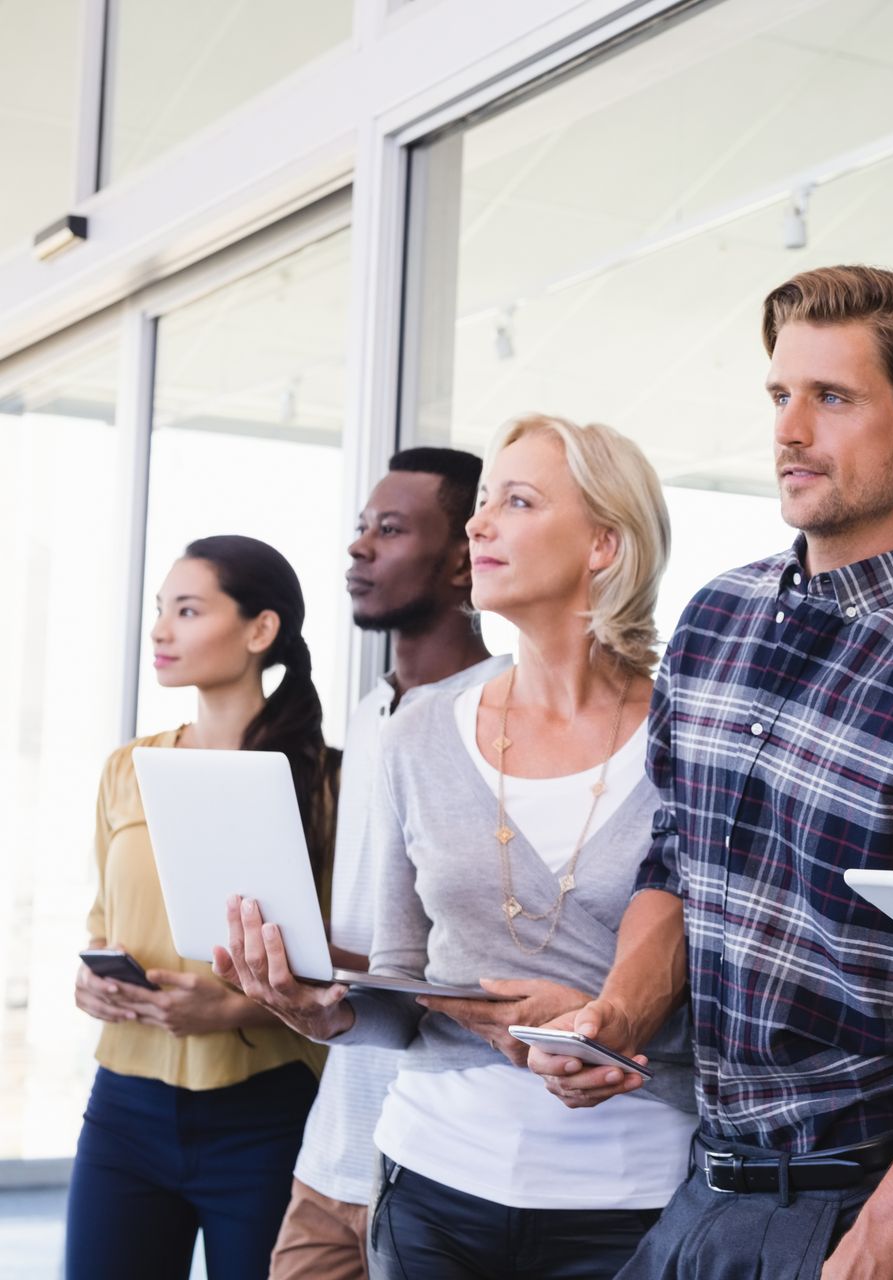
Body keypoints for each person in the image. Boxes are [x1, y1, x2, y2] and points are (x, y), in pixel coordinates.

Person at [526, 265, 893, 1280]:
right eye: (781, 394)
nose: (790, 429)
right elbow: (676, 862)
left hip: (864, 1210)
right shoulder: (713, 620)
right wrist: (619, 1015)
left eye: (833, 397)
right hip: (704, 1186)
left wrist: (869, 1254)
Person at [220, 415, 697, 1280]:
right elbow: (405, 985)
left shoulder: (694, 738)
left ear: (603, 543)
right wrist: (327, 1012)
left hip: (633, 1201)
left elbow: (733, 985)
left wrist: (605, 1025)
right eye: (482, 504)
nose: (478, 526)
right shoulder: (421, 735)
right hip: (435, 1183)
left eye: (515, 502)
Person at [68, 534, 339, 1280]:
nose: (161, 630)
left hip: (265, 1112)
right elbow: (102, 919)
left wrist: (231, 1011)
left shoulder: (325, 783)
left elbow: (347, 965)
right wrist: (90, 978)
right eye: (162, 611)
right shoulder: (128, 766)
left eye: (187, 610)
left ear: (260, 631)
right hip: (124, 1103)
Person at [268, 447, 506, 1280]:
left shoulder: (505, 709)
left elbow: (495, 953)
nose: (359, 548)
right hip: (331, 1149)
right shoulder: (370, 713)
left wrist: (346, 969)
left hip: (438, 1164)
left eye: (391, 529)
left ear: (462, 560)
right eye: (361, 528)